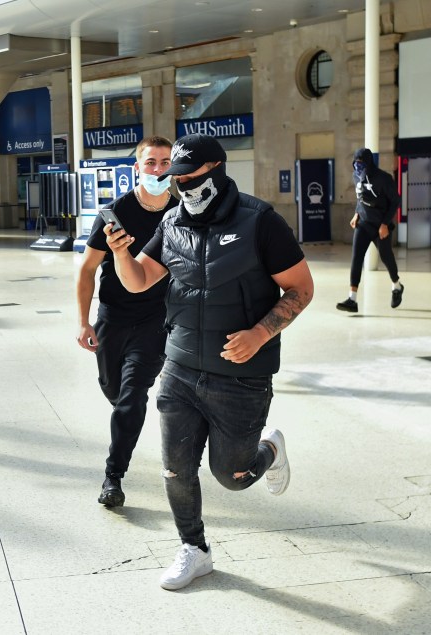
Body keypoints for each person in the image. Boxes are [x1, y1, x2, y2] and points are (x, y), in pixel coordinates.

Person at [106, 134, 314, 590]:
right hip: (179, 366)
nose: (181, 187)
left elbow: (301, 288)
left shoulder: (261, 221)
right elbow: (139, 280)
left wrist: (260, 333)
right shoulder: (173, 222)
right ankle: (194, 549)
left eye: (190, 177)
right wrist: (122, 252)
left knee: (233, 477)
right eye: (174, 180)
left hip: (240, 378)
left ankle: (270, 449)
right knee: (176, 469)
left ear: (217, 169)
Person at [75, 136, 177, 508]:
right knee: (115, 393)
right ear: (137, 167)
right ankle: (126, 427)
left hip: (156, 322)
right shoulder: (113, 214)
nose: (158, 170)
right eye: (151, 162)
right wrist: (83, 322)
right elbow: (87, 270)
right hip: (112, 320)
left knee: (132, 399)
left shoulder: (180, 214)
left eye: (165, 162)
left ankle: (113, 476)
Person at [336, 147, 404, 313]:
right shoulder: (356, 176)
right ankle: (352, 299)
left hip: (381, 224)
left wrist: (385, 224)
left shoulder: (384, 178)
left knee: (386, 257)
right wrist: (357, 214)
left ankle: (397, 286)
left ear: (368, 163)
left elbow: (395, 201)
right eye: (355, 163)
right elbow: (361, 197)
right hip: (364, 223)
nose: (358, 167)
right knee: (356, 257)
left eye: (361, 163)